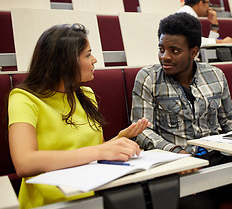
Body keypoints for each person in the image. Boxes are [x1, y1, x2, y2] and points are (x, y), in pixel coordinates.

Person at [7, 24, 150, 208]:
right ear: (65, 62)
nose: (95, 60)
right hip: (50, 202)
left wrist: (118, 141)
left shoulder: (86, 94)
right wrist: (101, 150)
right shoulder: (23, 98)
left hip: (93, 192)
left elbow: (88, 153)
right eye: (88, 55)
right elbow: (24, 163)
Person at [132, 12, 232, 159]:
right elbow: (142, 131)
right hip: (175, 160)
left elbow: (229, 119)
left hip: (217, 154)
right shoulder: (148, 78)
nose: (165, 57)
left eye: (174, 51)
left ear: (193, 52)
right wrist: (176, 152)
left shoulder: (216, 75)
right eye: (161, 49)